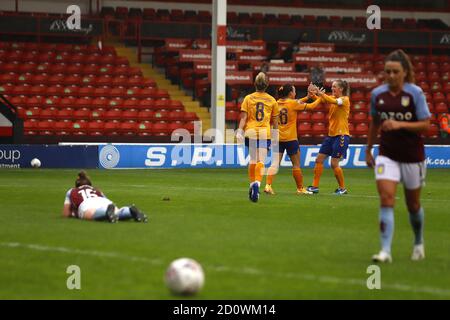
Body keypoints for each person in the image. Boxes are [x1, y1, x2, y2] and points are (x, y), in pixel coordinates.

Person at [366, 49, 431, 263]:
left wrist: (399, 124)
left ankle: (418, 241)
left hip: (413, 156)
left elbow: (426, 124)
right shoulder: (378, 94)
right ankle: (385, 251)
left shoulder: (415, 93)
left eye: (395, 72)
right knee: (386, 199)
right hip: (387, 154)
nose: (391, 76)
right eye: (387, 72)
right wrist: (368, 149)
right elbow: (375, 122)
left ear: (404, 72)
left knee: (413, 205)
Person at [264, 83, 323, 195]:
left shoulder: (276, 103)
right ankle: (300, 189)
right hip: (291, 139)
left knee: (275, 164)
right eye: (294, 91)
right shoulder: (293, 103)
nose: (295, 93)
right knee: (296, 165)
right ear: (291, 93)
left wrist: (307, 97)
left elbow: (295, 102)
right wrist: (321, 97)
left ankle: (268, 186)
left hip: (278, 138)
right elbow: (311, 107)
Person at [236, 72, 279, 203]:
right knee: (261, 160)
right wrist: (275, 136)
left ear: (255, 84)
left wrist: (239, 131)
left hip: (250, 132)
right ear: (267, 85)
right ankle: (257, 184)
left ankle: (251, 184)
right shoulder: (272, 100)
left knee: (253, 159)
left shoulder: (248, 98)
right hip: (264, 133)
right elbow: (275, 122)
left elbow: (243, 118)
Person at [306, 80, 351, 195]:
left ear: (341, 89)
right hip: (331, 136)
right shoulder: (333, 99)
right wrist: (314, 94)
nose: (332, 88)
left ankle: (342, 188)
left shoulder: (345, 100)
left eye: (334, 87)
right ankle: (315, 187)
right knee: (319, 160)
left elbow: (333, 100)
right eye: (332, 87)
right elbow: (323, 99)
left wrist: (321, 94)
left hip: (341, 135)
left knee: (334, 163)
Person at [63, 171, 148, 223]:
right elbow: (106, 200)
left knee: (91, 214)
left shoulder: (71, 191)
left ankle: (106, 213)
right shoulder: (97, 190)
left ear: (76, 185)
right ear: (90, 184)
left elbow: (66, 214)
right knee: (116, 212)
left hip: (87, 204)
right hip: (103, 201)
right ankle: (129, 210)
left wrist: (74, 214)